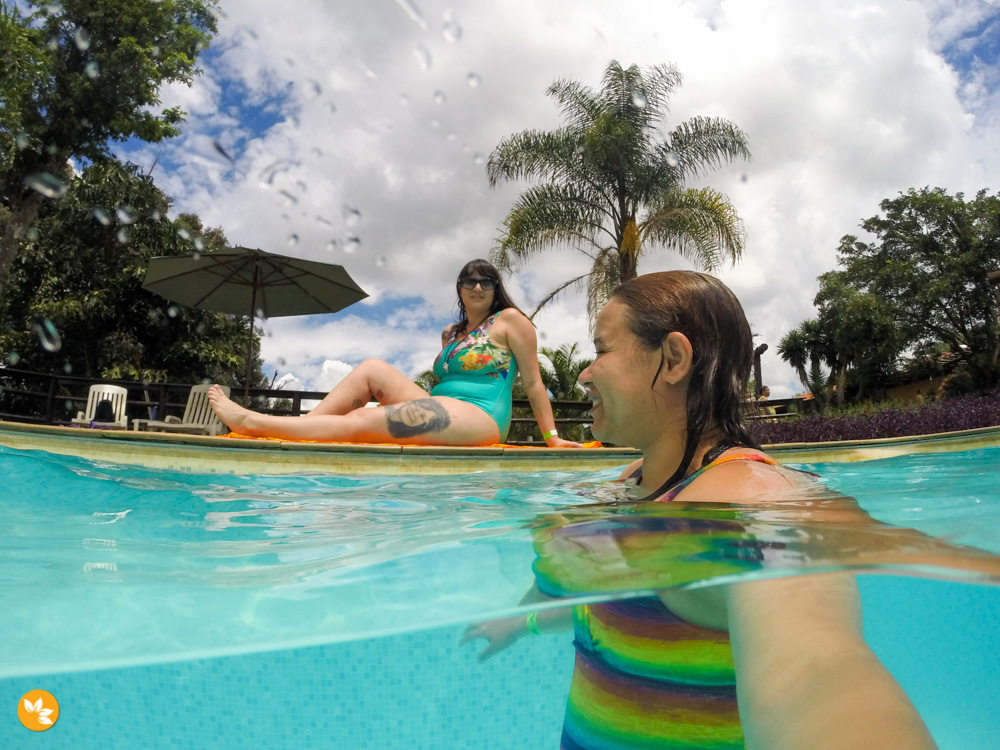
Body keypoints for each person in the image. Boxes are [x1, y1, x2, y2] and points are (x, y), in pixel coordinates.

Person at [462, 271, 939, 750]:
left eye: (602, 349)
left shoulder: (750, 499)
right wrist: (520, 620)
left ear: (672, 360)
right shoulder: (634, 480)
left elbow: (816, 675)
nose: (585, 373)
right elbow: (615, 596)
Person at [207, 259, 582, 448]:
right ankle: (299, 433)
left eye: (487, 281)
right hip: (443, 408)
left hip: (481, 418)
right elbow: (443, 388)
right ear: (460, 288)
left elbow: (533, 383)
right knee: (372, 368)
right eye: (470, 280)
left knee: (366, 421)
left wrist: (551, 436)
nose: (478, 286)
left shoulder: (511, 320)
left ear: (495, 287)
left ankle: (255, 424)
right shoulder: (450, 334)